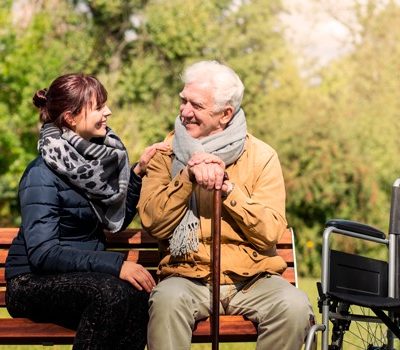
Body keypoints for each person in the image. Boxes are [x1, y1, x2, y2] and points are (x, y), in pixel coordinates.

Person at [138, 60, 314, 350]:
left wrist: (228, 189)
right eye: (183, 101)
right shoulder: (164, 154)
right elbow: (153, 222)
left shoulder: (261, 156)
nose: (184, 112)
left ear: (225, 114)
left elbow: (270, 231)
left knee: (293, 306)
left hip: (252, 279)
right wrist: (187, 177)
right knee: (167, 302)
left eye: (195, 105)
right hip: (187, 276)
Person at [5, 73, 168, 350]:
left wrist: (138, 172)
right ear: (70, 118)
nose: (108, 112)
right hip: (31, 283)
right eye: (98, 107)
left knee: (140, 300)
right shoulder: (40, 174)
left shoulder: (94, 164)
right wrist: (117, 265)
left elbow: (113, 221)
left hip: (83, 278)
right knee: (109, 294)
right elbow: (44, 254)